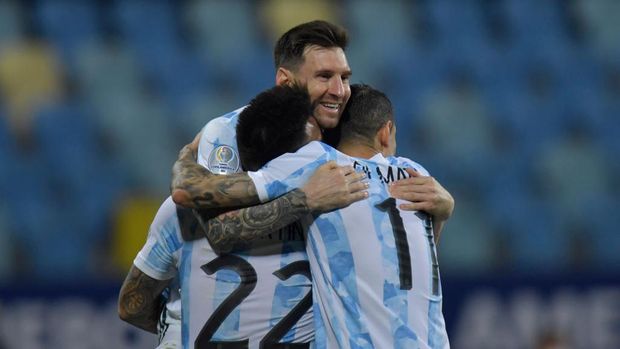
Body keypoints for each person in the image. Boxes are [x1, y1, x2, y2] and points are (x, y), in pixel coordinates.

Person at [118, 85, 368, 348]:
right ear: (287, 161)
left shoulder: (181, 213)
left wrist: (178, 324)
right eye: (313, 151)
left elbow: (132, 307)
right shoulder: (329, 217)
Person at [210, 83, 452, 348]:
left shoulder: (318, 161)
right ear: (386, 133)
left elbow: (222, 201)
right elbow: (409, 263)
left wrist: (191, 158)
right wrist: (444, 213)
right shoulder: (416, 173)